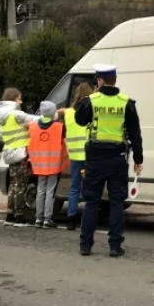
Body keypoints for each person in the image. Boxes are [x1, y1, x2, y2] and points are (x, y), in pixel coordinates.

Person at [75, 64, 143, 257]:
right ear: (114, 81)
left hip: (95, 157)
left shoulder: (91, 101)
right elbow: (136, 135)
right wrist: (138, 160)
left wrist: (93, 97)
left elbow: (80, 120)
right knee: (116, 202)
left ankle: (86, 245)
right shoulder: (126, 103)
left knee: (91, 202)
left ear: (100, 81)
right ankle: (115, 246)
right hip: (117, 158)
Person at [0, 88, 38, 227]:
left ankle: (9, 215)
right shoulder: (16, 115)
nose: (21, 101)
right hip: (21, 153)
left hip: (9, 152)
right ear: (13, 99)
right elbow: (35, 120)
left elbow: (2, 138)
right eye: (19, 98)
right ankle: (19, 217)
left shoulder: (2, 117)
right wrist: (53, 114)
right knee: (21, 185)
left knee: (13, 184)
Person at [27, 101, 69, 228]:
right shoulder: (59, 127)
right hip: (53, 165)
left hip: (39, 164)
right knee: (50, 192)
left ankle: (38, 219)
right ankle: (47, 219)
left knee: (40, 191)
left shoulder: (33, 126)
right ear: (53, 113)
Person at [64, 82, 93, 231]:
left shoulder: (69, 112)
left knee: (74, 187)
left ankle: (71, 219)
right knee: (89, 187)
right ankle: (88, 218)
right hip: (88, 155)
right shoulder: (92, 109)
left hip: (74, 154)